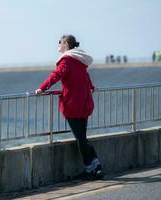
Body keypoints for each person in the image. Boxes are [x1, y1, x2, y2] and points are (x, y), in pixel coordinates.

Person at [35, 34, 103, 180]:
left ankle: (92, 169)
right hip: (84, 102)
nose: (58, 45)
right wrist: (91, 87)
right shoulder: (79, 60)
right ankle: (96, 167)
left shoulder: (66, 60)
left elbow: (56, 75)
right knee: (82, 137)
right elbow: (85, 78)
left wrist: (42, 88)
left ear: (66, 44)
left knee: (81, 139)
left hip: (73, 104)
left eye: (59, 42)